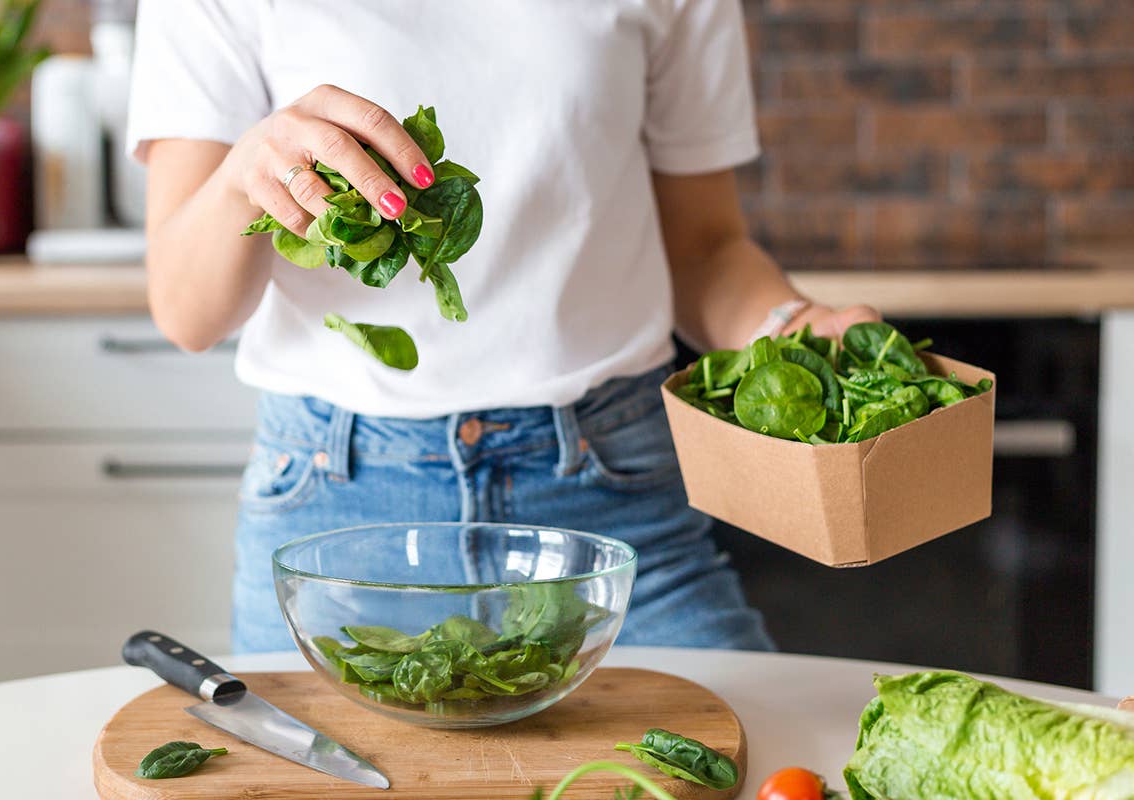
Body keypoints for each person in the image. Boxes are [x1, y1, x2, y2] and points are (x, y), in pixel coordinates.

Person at [127, 0, 877, 654]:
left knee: (747, 758)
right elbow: (186, 311)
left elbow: (705, 248)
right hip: (339, 507)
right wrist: (241, 177)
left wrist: (792, 325)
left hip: (610, 495)